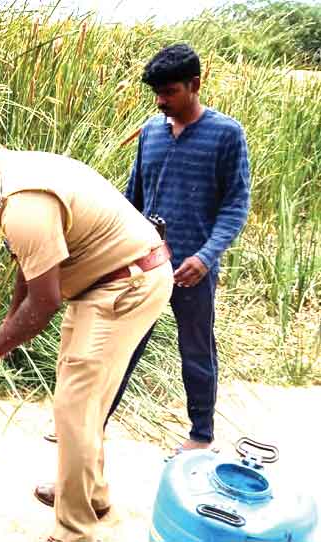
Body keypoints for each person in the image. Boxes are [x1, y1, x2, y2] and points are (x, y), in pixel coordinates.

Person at [0, 127, 174, 542]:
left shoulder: (24, 202)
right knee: (81, 398)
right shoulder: (8, 176)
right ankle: (90, 494)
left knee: (74, 406)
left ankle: (74, 529)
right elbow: (29, 266)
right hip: (103, 282)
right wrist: (6, 327)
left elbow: (44, 302)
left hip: (125, 284)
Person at [106, 43, 251, 453]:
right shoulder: (151, 131)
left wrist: (206, 258)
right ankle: (93, 421)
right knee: (123, 345)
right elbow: (132, 197)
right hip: (146, 265)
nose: (161, 101)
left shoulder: (227, 134)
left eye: (170, 92)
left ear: (195, 85)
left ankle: (201, 436)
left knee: (197, 350)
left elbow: (237, 204)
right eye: (158, 93)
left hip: (193, 268)